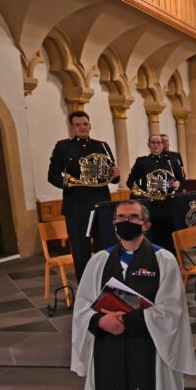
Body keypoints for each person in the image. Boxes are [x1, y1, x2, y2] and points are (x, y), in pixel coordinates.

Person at [71, 200, 196, 390]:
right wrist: (99, 322)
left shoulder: (163, 259)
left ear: (146, 224)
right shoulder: (99, 260)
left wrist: (125, 321)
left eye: (133, 217)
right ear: (113, 224)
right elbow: (81, 307)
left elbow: (171, 309)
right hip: (107, 348)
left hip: (148, 349)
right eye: (121, 217)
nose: (126, 221)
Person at [47, 111, 121, 278]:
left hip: (101, 205)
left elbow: (114, 179)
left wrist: (116, 174)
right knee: (81, 251)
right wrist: (69, 183)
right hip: (76, 206)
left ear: (90, 125)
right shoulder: (63, 147)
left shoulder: (101, 146)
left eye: (85, 124)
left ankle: (107, 283)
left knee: (105, 248)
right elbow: (52, 176)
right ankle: (85, 287)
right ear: (72, 127)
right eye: (78, 124)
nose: (82, 128)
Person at [126, 134, 185, 250]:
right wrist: (142, 194)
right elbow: (130, 182)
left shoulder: (172, 162)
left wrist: (178, 184)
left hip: (167, 205)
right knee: (150, 236)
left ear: (163, 145)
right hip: (149, 206)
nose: (156, 145)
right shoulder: (141, 162)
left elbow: (181, 180)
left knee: (168, 237)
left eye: (159, 142)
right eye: (153, 142)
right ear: (149, 145)